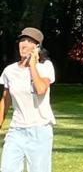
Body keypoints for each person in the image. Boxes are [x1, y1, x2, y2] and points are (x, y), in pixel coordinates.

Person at [0, 27, 56, 172]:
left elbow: (41, 90)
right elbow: (5, 101)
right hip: (16, 130)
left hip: (40, 130)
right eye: (22, 40)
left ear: (37, 47)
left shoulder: (45, 67)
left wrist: (32, 65)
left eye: (29, 41)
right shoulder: (9, 71)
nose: (23, 44)